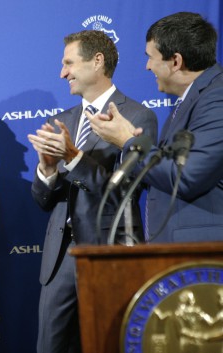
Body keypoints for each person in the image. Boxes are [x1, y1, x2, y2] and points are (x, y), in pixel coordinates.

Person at [27, 30, 158, 353]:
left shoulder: (138, 116)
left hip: (108, 251)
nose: (63, 73)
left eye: (69, 63)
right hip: (60, 257)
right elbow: (44, 200)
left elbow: (125, 190)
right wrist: (47, 169)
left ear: (97, 61)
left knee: (109, 342)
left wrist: (73, 158)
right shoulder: (61, 120)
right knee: (50, 346)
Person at [88, 12, 223, 243]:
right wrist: (133, 139)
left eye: (151, 57)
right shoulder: (191, 101)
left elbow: (187, 176)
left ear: (176, 61)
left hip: (202, 257)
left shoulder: (216, 98)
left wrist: (127, 142)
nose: (147, 67)